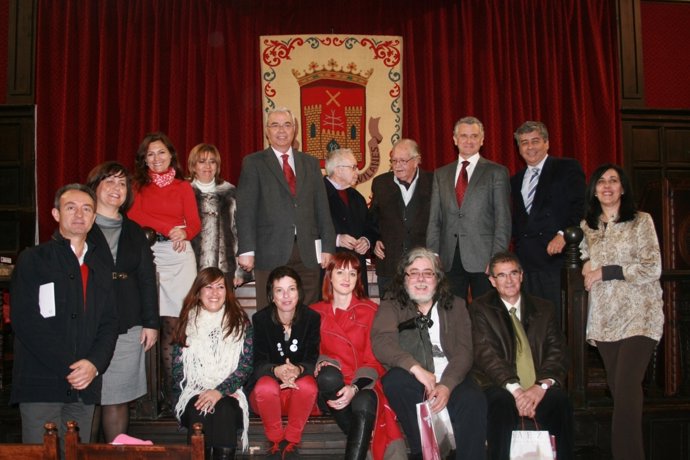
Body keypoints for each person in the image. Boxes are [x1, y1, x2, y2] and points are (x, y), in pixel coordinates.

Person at [10, 184, 118, 448]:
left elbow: (109, 324)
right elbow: (26, 321)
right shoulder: (33, 259)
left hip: (85, 386)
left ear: (94, 218)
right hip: (41, 382)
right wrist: (70, 366)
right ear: (56, 214)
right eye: (71, 208)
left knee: (77, 453)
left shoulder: (101, 267)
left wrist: (93, 364)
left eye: (86, 209)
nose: (79, 215)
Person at [580, 164, 664, 460]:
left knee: (627, 389)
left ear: (623, 188)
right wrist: (587, 263)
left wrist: (607, 270)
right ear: (594, 189)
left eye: (613, 181)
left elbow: (652, 267)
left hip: (640, 315)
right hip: (604, 320)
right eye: (601, 181)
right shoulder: (588, 226)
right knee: (621, 395)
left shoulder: (642, 221)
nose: (607, 186)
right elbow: (585, 254)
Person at [371, 247, 487, 460]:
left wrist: (447, 385)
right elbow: (382, 342)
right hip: (413, 378)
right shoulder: (392, 305)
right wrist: (416, 369)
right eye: (414, 272)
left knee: (473, 399)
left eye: (428, 272)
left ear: (438, 278)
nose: (421, 279)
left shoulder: (457, 305)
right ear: (404, 278)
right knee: (395, 381)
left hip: (452, 376)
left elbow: (464, 351)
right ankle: (425, 451)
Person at [470, 251, 573, 460]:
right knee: (499, 403)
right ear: (492, 280)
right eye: (501, 275)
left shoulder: (544, 308)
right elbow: (487, 355)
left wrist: (540, 387)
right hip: (500, 386)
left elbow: (558, 351)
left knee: (560, 402)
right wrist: (518, 393)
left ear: (522, 275)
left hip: (538, 387)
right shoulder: (480, 308)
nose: (509, 281)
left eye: (513, 273)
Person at [86, 162, 159, 442]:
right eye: (110, 182)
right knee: (89, 398)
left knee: (117, 397)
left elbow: (146, 279)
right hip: (89, 322)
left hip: (128, 321)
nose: (117, 189)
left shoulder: (134, 231)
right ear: (95, 186)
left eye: (122, 184)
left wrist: (151, 323)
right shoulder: (83, 225)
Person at [128, 132, 201, 412]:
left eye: (161, 153)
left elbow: (194, 224)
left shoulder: (183, 187)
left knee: (174, 327)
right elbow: (134, 216)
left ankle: (175, 394)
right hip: (148, 255)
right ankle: (147, 394)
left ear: (171, 155)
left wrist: (183, 230)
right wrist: (166, 227)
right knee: (149, 325)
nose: (156, 159)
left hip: (180, 256)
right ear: (143, 159)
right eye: (150, 154)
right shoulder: (137, 186)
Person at [236, 107, 336, 309]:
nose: (281, 130)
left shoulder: (310, 163)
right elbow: (245, 210)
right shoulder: (253, 163)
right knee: (270, 311)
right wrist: (246, 249)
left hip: (308, 251)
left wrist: (328, 247)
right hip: (270, 250)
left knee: (308, 311)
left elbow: (322, 208)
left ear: (295, 129)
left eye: (287, 124)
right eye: (275, 125)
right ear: (267, 131)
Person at [310, 252, 405, 460]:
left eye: (352, 273)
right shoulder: (314, 312)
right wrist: (321, 361)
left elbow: (375, 359)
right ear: (329, 276)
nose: (346, 279)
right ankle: (366, 437)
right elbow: (309, 354)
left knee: (363, 401)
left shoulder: (371, 311)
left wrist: (353, 387)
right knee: (328, 375)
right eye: (340, 272)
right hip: (331, 387)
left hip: (363, 382)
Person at [171, 267, 253, 460]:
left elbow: (246, 366)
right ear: (198, 292)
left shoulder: (240, 322)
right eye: (208, 287)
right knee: (202, 408)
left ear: (227, 292)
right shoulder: (186, 321)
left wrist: (220, 390)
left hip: (230, 392)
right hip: (193, 392)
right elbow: (177, 370)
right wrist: (202, 390)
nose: (215, 293)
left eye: (220, 287)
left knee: (223, 408)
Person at [426, 116, 511, 300]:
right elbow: (435, 219)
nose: (469, 141)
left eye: (474, 136)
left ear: (482, 140)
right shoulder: (441, 174)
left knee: (487, 315)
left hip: (484, 258)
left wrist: (496, 258)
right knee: (452, 314)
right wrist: (432, 255)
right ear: (455, 140)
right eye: (464, 136)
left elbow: (503, 220)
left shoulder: (496, 172)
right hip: (448, 259)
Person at [510, 121, 585, 326]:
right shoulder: (515, 180)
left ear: (547, 143)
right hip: (526, 262)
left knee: (556, 322)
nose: (530, 147)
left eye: (535, 141)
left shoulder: (566, 168)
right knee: (531, 323)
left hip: (556, 260)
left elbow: (581, 206)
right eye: (524, 143)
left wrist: (564, 234)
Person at [248, 266, 321, 459]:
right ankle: (276, 441)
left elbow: (313, 359)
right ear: (272, 295)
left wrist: (298, 369)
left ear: (299, 292)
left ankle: (290, 442)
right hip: (269, 397)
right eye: (279, 290)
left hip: (299, 396)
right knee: (264, 386)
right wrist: (276, 370)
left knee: (308, 385)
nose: (286, 296)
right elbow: (257, 364)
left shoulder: (312, 318)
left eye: (292, 289)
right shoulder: (261, 320)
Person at [369, 139, 433, 298]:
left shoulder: (434, 182)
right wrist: (374, 239)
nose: (397, 165)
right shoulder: (380, 183)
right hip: (389, 265)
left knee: (422, 315)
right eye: (394, 160)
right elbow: (372, 220)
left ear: (417, 160)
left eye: (403, 161)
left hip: (422, 266)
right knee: (390, 316)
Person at [187, 143, 251, 286]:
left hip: (225, 268)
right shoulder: (184, 192)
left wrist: (241, 271)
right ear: (193, 166)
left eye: (212, 161)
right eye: (202, 162)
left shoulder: (230, 192)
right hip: (190, 267)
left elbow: (239, 232)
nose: (208, 166)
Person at [323, 148, 375, 295]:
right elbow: (308, 230)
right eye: (353, 167)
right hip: (329, 269)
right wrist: (337, 239)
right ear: (338, 170)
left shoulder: (357, 197)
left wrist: (366, 240)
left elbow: (370, 226)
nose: (357, 172)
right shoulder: (318, 194)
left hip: (356, 270)